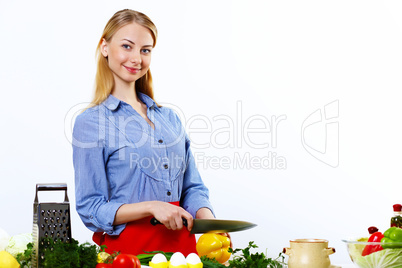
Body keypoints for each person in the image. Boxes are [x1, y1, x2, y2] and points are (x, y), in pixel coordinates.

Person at [72, 9, 217, 255]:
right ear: (105, 47)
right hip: (129, 254)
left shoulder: (169, 118)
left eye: (145, 50)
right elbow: (91, 208)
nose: (136, 58)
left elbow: (192, 187)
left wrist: (210, 221)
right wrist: (151, 207)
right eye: (127, 46)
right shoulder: (91, 122)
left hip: (184, 253)